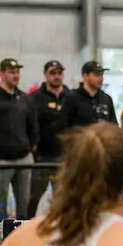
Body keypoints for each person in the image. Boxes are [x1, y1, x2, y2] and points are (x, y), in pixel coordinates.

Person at [27, 60, 69, 218]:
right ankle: (26, 226)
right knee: (34, 197)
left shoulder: (70, 97)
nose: (57, 77)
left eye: (59, 73)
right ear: (45, 75)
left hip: (64, 156)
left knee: (63, 198)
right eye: (53, 73)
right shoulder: (34, 98)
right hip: (42, 157)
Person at [0, 57, 37, 221]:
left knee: (24, 204)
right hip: (2, 160)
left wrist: (32, 146)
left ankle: (21, 237)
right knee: (0, 203)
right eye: (11, 72)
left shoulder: (25, 98)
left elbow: (33, 126)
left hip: (24, 158)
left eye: (17, 72)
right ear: (2, 74)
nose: (15, 75)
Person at [63, 61, 116, 127]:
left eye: (102, 74)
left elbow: (114, 126)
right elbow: (63, 128)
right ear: (85, 76)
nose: (101, 78)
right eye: (97, 75)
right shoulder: (71, 98)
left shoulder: (107, 99)